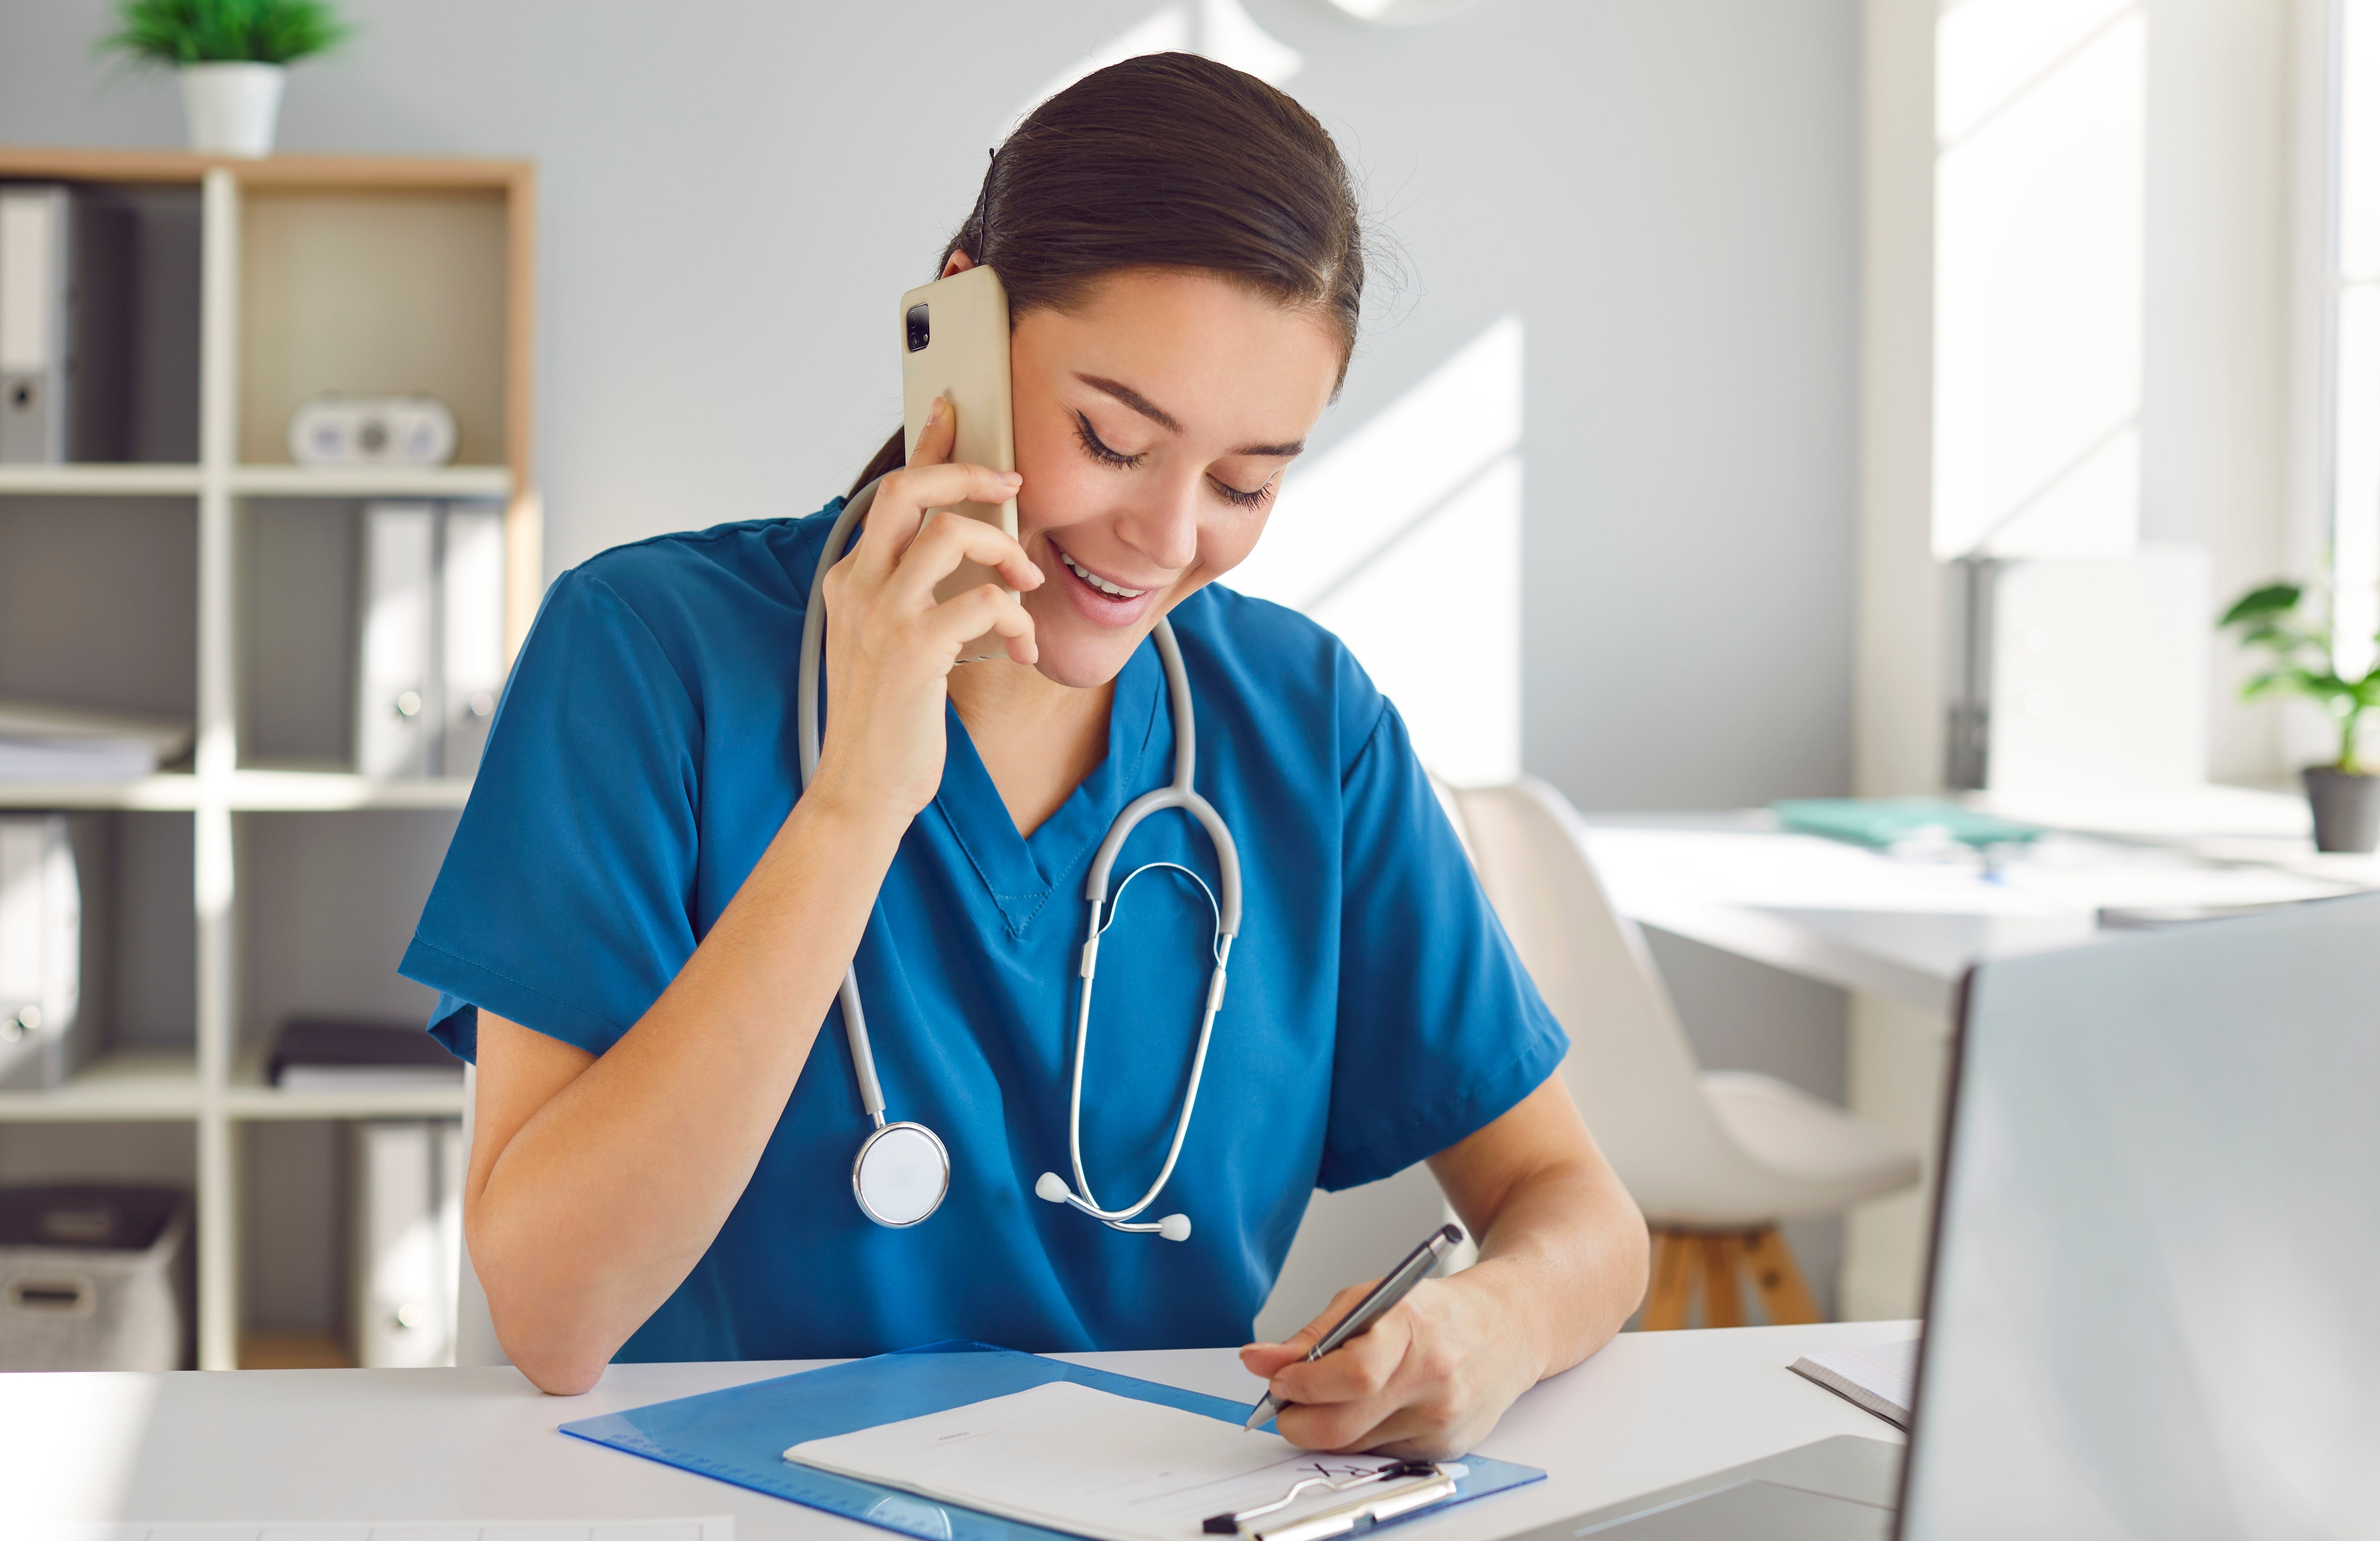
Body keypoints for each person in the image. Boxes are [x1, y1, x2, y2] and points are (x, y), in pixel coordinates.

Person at [402, 52, 1647, 1457]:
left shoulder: (1304, 724)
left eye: (1245, 481)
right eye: (1112, 439)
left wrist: (1488, 1325)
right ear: (959, 321)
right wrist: (858, 799)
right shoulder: (644, 653)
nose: (1169, 538)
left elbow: (1578, 1209)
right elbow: (555, 1315)